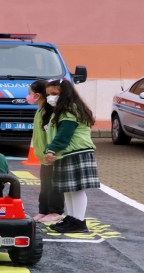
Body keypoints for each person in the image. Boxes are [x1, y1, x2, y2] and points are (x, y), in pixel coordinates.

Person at [44, 79, 99, 233]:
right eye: (49, 95)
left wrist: (51, 150)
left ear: (65, 93)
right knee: (68, 189)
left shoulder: (69, 110)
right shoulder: (65, 109)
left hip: (76, 152)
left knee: (77, 189)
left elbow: (64, 135)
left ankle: (79, 222)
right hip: (68, 153)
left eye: (55, 94)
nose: (51, 98)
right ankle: (72, 218)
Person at [28, 80, 64, 223]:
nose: (28, 96)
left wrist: (51, 151)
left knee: (54, 185)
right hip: (44, 156)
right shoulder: (40, 110)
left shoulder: (51, 113)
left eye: (29, 93)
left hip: (52, 156)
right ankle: (43, 210)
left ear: (38, 95)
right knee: (45, 185)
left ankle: (56, 211)